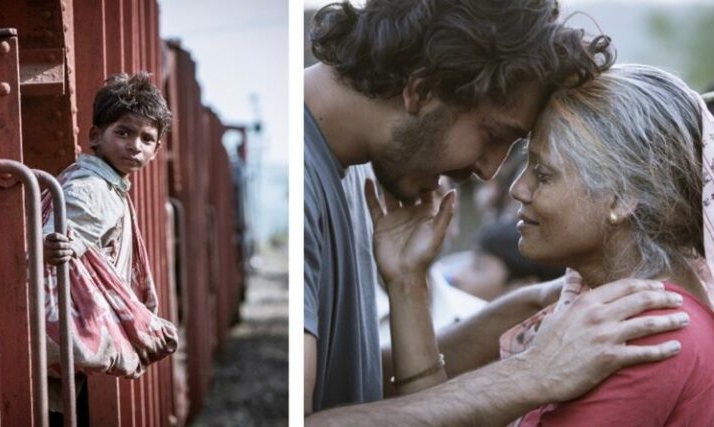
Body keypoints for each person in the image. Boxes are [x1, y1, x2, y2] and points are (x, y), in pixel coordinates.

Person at [305, 0, 690, 425]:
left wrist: (529, 305)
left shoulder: (358, 162)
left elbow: (358, 390)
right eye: (492, 135)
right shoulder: (309, 174)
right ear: (422, 89)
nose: (491, 172)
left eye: (540, 170)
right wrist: (533, 373)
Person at [500, 64, 714, 425]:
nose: (518, 189)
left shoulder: (649, 332)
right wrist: (407, 283)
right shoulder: (637, 316)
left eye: (543, 173)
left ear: (621, 198)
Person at [42, 72, 178, 418]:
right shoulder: (93, 189)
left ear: (156, 149)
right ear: (95, 136)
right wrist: (55, 246)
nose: (135, 146)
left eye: (147, 139)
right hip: (66, 331)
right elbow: (60, 237)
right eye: (123, 132)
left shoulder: (100, 184)